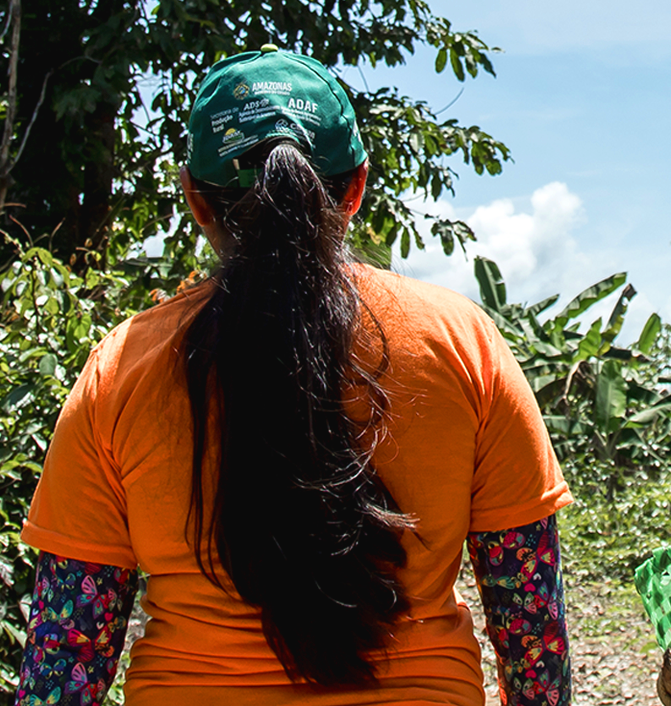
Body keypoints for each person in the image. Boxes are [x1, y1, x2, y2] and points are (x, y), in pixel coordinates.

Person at [15, 45, 573, 706]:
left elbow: (69, 651)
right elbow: (530, 628)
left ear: (196, 199)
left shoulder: (124, 366)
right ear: (357, 187)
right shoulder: (462, 342)